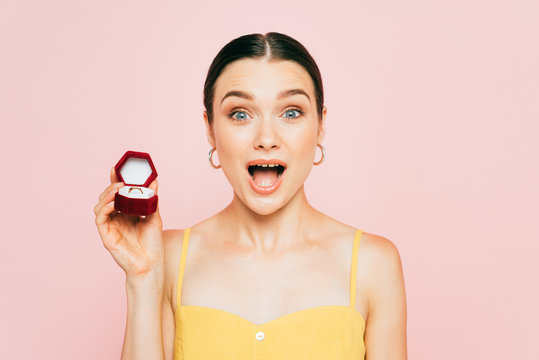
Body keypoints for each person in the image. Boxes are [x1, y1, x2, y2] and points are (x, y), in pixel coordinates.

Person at [94, 32, 407, 360]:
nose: (267, 138)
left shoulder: (374, 264)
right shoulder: (168, 256)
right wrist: (142, 279)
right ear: (210, 128)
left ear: (321, 125)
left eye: (291, 112)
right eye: (240, 114)